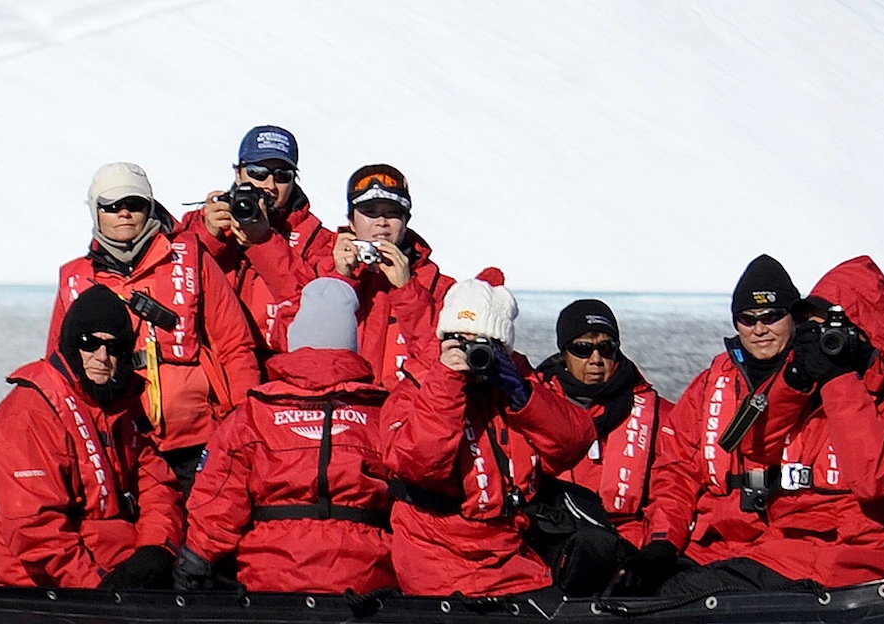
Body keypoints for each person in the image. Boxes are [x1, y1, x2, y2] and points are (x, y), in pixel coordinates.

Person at [645, 253, 884, 590]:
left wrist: (838, 378)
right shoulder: (806, 385)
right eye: (813, 330)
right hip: (787, 549)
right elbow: (752, 447)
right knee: (652, 587)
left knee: (686, 593)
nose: (759, 329)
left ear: (862, 328)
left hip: (848, 557)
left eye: (831, 330)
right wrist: (797, 380)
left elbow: (875, 478)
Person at [370, 270, 600, 598]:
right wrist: (446, 383)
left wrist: (524, 395)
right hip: (440, 555)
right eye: (458, 340)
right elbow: (420, 464)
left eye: (482, 344)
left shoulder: (516, 385)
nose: (470, 355)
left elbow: (575, 441)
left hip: (511, 550)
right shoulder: (416, 390)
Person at [51, 160, 257, 505]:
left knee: (202, 548)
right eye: (112, 206)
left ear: (150, 207)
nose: (124, 213)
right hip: (119, 448)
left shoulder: (192, 260)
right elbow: (58, 373)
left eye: (134, 204)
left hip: (200, 443)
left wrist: (242, 427)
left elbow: (235, 346)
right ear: (95, 212)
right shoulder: (75, 279)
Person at [182, 278, 397, 598]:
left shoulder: (254, 413)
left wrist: (194, 563)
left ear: (297, 338)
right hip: (366, 582)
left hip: (270, 582)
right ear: (351, 343)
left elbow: (218, 499)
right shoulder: (382, 414)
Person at [0, 284, 180, 590]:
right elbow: (34, 527)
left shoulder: (121, 407)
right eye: (90, 343)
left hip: (117, 566)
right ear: (72, 345)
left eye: (114, 348)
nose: (102, 356)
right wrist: (97, 589)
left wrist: (156, 548)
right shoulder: (26, 415)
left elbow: (157, 485)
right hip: (48, 586)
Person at [525, 297, 666, 592]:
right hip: (556, 543)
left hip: (630, 548)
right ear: (564, 353)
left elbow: (672, 491)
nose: (596, 359)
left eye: (606, 348)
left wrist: (654, 553)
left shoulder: (660, 415)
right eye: (582, 349)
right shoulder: (532, 407)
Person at [192, 123, 336, 366]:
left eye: (282, 176)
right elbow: (178, 285)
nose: (269, 185)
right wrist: (208, 236)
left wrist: (264, 242)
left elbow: (314, 310)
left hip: (284, 369)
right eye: (258, 173)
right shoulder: (210, 220)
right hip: (218, 367)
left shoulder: (318, 241)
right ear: (238, 174)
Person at [325, 162, 446, 391]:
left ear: (406, 221)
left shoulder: (440, 287)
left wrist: (407, 289)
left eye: (392, 213)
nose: (381, 222)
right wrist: (338, 279)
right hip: (348, 414)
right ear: (351, 220)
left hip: (406, 416)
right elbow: (293, 346)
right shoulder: (321, 272)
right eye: (370, 213)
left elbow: (441, 366)